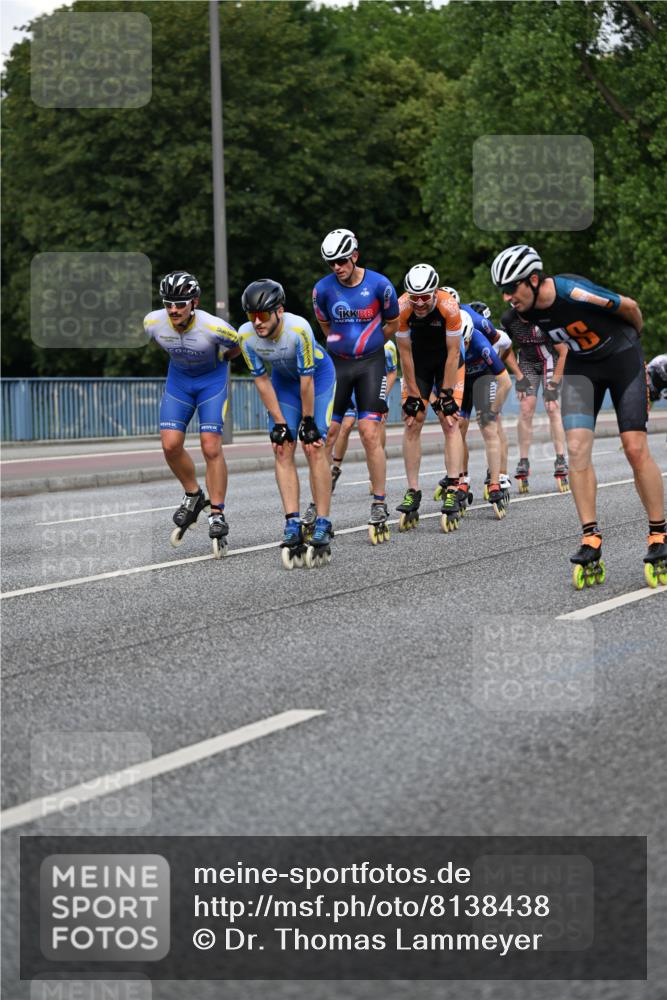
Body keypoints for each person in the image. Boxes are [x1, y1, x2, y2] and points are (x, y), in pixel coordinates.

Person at [491, 244, 666, 586]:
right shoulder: (516, 317)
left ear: (534, 280)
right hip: (582, 367)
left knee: (633, 447)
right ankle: (590, 537)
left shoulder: (572, 292)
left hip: (621, 358)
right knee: (577, 449)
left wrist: (635, 341)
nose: (507, 297)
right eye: (503, 291)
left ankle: (659, 534)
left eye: (512, 288)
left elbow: (630, 307)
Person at [238, 279, 336, 568]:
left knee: (313, 447)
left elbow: (307, 380)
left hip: (316, 381)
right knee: (282, 447)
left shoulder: (298, 329)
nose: (257, 322)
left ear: (279, 311)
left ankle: (323, 520)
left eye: (263, 315)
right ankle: (292, 522)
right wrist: (280, 423)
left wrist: (308, 421)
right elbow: (261, 380)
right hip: (283, 384)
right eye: (251, 315)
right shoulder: (245, 337)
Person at [144, 271, 239, 556]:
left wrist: (215, 365)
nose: (173, 310)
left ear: (194, 302)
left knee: (211, 447)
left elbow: (235, 349)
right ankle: (194, 495)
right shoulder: (152, 322)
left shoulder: (215, 327)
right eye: (168, 303)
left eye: (180, 304)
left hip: (211, 382)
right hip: (179, 383)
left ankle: (218, 512)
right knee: (170, 445)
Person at [313, 229, 400, 543]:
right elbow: (325, 325)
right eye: (331, 263)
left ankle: (378, 501)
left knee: (368, 431)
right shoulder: (322, 290)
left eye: (341, 261)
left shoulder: (380, 285)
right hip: (337, 364)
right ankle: (319, 503)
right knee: (328, 433)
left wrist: (372, 342)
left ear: (355, 256)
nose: (336, 267)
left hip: (371, 363)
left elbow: (393, 323)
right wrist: (342, 342)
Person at [394, 264, 465, 533]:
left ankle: (454, 485)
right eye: (415, 297)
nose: (420, 303)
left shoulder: (449, 307)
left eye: (425, 296)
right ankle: (413, 490)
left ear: (435, 292)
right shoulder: (402, 308)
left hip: (448, 363)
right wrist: (413, 393)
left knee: (450, 421)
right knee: (413, 421)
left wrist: (446, 394)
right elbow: (405, 355)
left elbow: (453, 353)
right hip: (418, 364)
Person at [498, 301, 570, 494]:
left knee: (552, 407)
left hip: (550, 360)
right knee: (526, 409)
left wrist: (554, 383)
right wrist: (519, 376)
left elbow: (563, 352)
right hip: (527, 362)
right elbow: (504, 348)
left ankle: (561, 458)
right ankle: (523, 460)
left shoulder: (546, 316)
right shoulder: (509, 319)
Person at [455, 310, 512, 519]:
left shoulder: (481, 343)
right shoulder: (449, 343)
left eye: (465, 343)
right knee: (457, 425)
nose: (463, 348)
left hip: (483, 378)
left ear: (470, 336)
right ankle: (462, 480)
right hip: (461, 379)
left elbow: (505, 383)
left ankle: (495, 482)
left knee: (488, 428)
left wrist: (493, 411)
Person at [330, 340, 398, 493]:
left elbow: (392, 372)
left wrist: (383, 396)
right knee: (346, 425)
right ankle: (335, 469)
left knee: (374, 428)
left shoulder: (388, 346)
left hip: (373, 387)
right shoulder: (350, 337)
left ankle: (374, 474)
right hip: (351, 387)